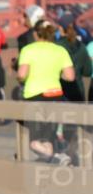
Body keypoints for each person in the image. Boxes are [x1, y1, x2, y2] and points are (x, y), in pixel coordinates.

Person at [17, 20, 76, 165]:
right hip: (56, 96)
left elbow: (22, 75)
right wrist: (55, 75)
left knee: (34, 142)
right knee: (48, 139)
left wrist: (21, 76)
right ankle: (53, 161)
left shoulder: (28, 50)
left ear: (36, 34)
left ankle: (58, 156)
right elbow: (70, 76)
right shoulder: (61, 50)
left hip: (35, 98)